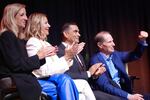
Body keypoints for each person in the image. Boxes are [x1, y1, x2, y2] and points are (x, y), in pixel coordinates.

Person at [0, 3, 53, 100]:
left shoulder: (19, 39)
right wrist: (38, 56)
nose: (26, 18)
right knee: (51, 87)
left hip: (22, 76)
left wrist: (43, 56)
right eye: (22, 15)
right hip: (12, 77)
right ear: (12, 17)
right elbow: (15, 65)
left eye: (25, 14)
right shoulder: (7, 36)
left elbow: (25, 63)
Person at [57, 22, 122, 100]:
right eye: (75, 31)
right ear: (66, 34)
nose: (79, 34)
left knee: (118, 95)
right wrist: (88, 73)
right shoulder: (59, 51)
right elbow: (64, 75)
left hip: (88, 88)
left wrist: (94, 75)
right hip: (74, 91)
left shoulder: (78, 54)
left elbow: (84, 75)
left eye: (78, 31)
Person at [25, 13, 79, 100]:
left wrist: (69, 56)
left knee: (67, 79)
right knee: (65, 79)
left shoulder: (46, 43)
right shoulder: (32, 42)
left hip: (52, 78)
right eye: (46, 23)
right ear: (37, 25)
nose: (49, 25)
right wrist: (66, 57)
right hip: (42, 79)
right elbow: (40, 70)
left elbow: (57, 66)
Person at [90, 31, 148, 100]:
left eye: (113, 41)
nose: (114, 44)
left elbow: (134, 55)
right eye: (110, 42)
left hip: (124, 93)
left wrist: (142, 41)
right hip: (111, 96)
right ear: (100, 45)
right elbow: (105, 86)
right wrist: (129, 96)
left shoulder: (115, 54)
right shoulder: (95, 61)